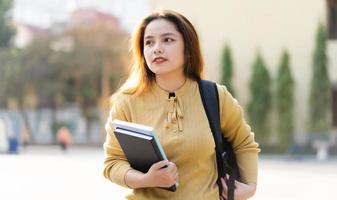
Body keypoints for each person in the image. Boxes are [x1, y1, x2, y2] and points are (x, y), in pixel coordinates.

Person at [103, 10, 260, 200]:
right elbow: (113, 163)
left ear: (188, 49)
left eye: (167, 40)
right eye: (149, 42)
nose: (157, 49)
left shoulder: (215, 95)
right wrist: (147, 179)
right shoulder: (127, 101)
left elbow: (244, 143)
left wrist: (250, 186)